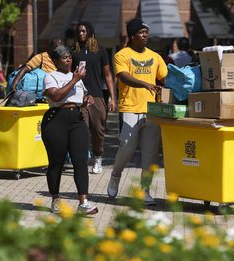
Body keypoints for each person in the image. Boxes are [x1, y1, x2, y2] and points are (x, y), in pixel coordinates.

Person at [106, 18, 168, 205]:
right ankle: (115, 176)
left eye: (146, 32)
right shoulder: (122, 55)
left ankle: (145, 191)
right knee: (126, 147)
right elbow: (123, 77)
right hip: (130, 108)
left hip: (152, 111)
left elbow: (164, 78)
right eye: (141, 32)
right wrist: (145, 83)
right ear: (132, 37)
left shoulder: (156, 56)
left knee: (150, 154)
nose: (145, 35)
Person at [41, 45, 98, 215]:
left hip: (77, 119)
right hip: (56, 119)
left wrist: (87, 99)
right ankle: (55, 199)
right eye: (64, 57)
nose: (68, 59)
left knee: (80, 161)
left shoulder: (78, 78)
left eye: (69, 57)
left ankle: (83, 202)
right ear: (56, 61)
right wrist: (74, 79)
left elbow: (82, 96)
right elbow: (56, 96)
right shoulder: (50, 77)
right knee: (56, 162)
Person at [71, 21, 116, 174]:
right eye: (78, 31)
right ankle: (81, 160)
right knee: (80, 130)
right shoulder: (73, 52)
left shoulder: (101, 51)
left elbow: (108, 75)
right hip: (79, 97)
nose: (80, 34)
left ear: (89, 32)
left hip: (97, 95)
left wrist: (113, 98)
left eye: (83, 31)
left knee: (98, 130)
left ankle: (98, 157)